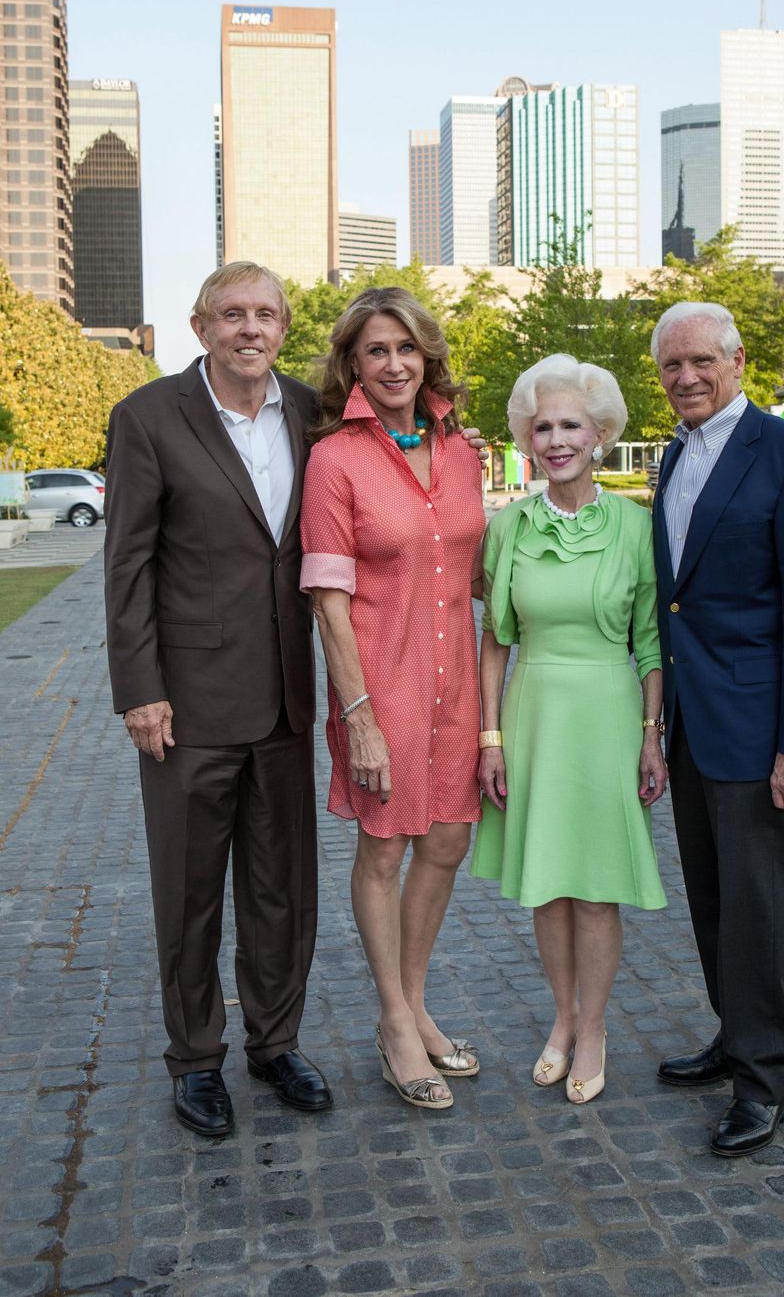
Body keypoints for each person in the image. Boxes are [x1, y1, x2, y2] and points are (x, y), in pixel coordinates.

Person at [104, 262, 332, 1137]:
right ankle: (196, 1058)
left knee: (283, 890)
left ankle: (275, 1043)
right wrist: (141, 689)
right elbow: (127, 563)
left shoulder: (311, 413)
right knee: (191, 892)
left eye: (265, 314)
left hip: (284, 699)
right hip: (187, 706)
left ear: (282, 327)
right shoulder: (149, 418)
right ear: (200, 327)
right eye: (231, 314)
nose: (250, 328)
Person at [649, 301, 784, 1156]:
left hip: (759, 724)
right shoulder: (668, 457)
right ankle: (735, 1037)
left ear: (737, 360)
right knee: (712, 894)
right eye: (670, 368)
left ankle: (765, 1080)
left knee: (758, 906)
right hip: (694, 718)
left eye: (701, 362)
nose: (686, 378)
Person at [300, 287, 485, 1111]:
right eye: (376, 351)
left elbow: (477, 569)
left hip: (460, 686)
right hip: (382, 686)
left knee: (445, 842)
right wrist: (359, 716)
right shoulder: (334, 459)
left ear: (426, 355)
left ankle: (414, 1003)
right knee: (384, 848)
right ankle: (395, 1021)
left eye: (405, 348)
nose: (394, 364)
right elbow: (328, 600)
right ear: (352, 364)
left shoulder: (463, 450)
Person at [471, 354, 668, 1105]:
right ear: (528, 439)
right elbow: (495, 640)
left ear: (600, 435)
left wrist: (651, 734)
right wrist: (490, 739)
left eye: (571, 426)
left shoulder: (636, 527)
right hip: (535, 715)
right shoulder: (509, 527)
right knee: (548, 888)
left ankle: (595, 1029)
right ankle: (561, 1018)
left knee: (596, 891)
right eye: (542, 426)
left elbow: (649, 642)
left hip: (608, 718)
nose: (556, 439)